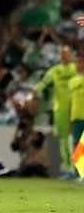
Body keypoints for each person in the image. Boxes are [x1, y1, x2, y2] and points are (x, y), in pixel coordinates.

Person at [34, 45, 76, 174]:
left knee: (78, 139)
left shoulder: (76, 69)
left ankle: (78, 168)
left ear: (71, 55)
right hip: (60, 109)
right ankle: (68, 167)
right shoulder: (55, 70)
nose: (65, 56)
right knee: (64, 138)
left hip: (77, 108)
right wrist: (35, 90)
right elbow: (43, 83)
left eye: (67, 53)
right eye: (63, 53)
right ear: (60, 56)